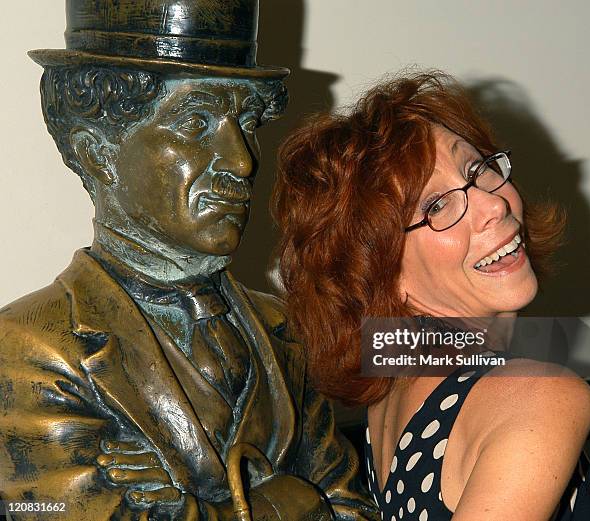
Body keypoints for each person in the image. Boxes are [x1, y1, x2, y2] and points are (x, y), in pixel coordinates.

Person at [0, 1, 378, 520]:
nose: (243, 160)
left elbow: (353, 508)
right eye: (196, 122)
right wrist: (290, 503)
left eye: (246, 121)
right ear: (97, 153)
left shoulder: (282, 327)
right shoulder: (27, 349)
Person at [272, 71, 590, 520]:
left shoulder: (396, 382)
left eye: (477, 170)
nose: (495, 205)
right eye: (437, 207)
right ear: (383, 274)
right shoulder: (540, 396)